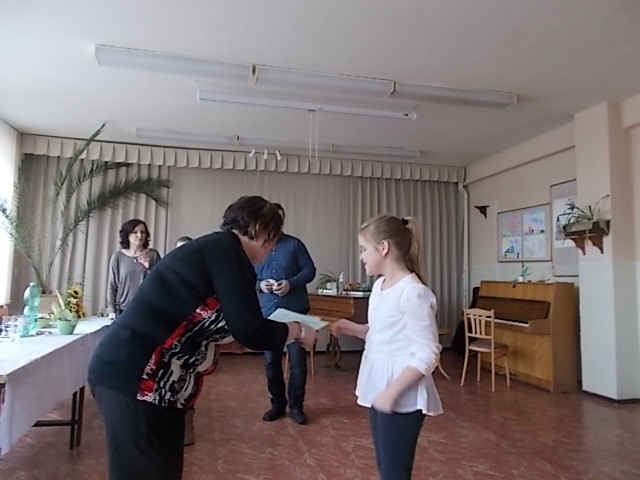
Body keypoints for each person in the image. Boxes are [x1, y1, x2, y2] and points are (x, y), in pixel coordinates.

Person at [88, 196, 317, 480]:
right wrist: (298, 330)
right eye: (273, 239)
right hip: (134, 376)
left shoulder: (219, 249)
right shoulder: (230, 253)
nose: (273, 248)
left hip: (149, 382)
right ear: (259, 231)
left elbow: (204, 321)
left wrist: (231, 341)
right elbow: (250, 330)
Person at [331, 214, 443, 480]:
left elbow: (428, 352)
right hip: (378, 385)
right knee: (385, 467)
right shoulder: (380, 286)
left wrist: (392, 391)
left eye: (363, 249)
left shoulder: (414, 292)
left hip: (401, 393)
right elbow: (382, 333)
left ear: (383, 248)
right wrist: (353, 329)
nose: (361, 256)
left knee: (394, 472)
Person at [254, 203, 316, 425]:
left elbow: (309, 270)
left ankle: (296, 406)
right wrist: (261, 285)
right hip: (269, 312)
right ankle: (277, 404)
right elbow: (248, 276)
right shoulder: (256, 246)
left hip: (294, 311)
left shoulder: (294, 245)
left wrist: (291, 283)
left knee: (297, 361)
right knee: (271, 361)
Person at [106, 219, 161, 320]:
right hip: (124, 309)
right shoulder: (118, 257)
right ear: (127, 235)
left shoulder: (153, 255)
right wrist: (111, 310)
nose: (139, 235)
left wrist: (148, 267)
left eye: (142, 232)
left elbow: (160, 282)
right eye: (135, 232)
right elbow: (112, 285)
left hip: (148, 308)